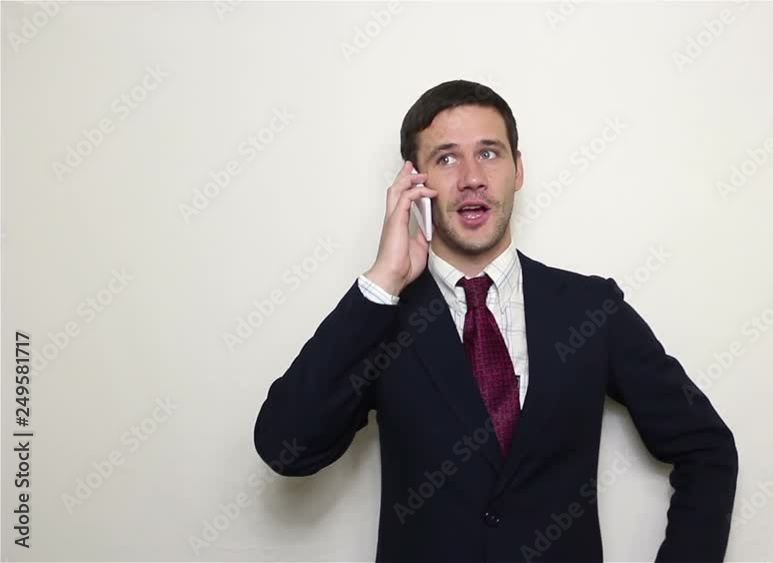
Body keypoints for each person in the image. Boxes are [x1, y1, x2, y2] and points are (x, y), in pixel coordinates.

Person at [253, 79, 738, 562]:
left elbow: (707, 448)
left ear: (518, 169)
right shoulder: (384, 317)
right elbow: (286, 449)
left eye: (489, 153)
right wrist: (382, 282)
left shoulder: (591, 309)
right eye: (446, 158)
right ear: (414, 182)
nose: (472, 178)